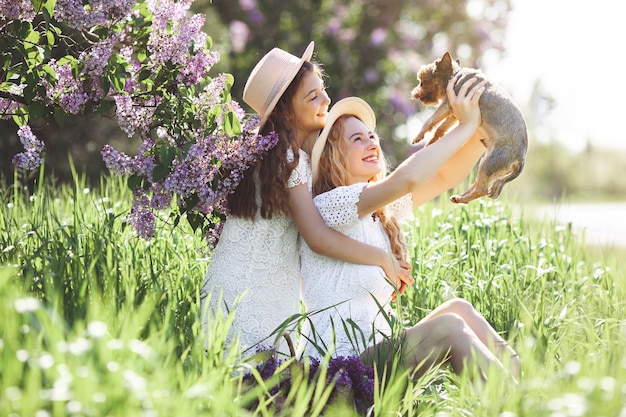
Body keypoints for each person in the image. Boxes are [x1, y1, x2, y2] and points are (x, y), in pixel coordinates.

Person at [199, 42, 413, 357]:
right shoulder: (289, 159)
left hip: (239, 286)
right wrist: (382, 258)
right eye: (313, 96)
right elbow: (317, 237)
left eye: (323, 90)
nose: (326, 99)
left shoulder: (275, 156)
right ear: (287, 111)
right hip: (254, 295)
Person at [300, 86, 520, 381]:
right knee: (449, 327)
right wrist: (465, 125)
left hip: (373, 353)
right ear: (332, 156)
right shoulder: (329, 205)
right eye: (357, 139)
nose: (371, 143)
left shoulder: (379, 214)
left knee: (459, 308)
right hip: (339, 369)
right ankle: (513, 403)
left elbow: (444, 176)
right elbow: (408, 178)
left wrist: (484, 121)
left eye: (371, 136)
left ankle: (526, 396)